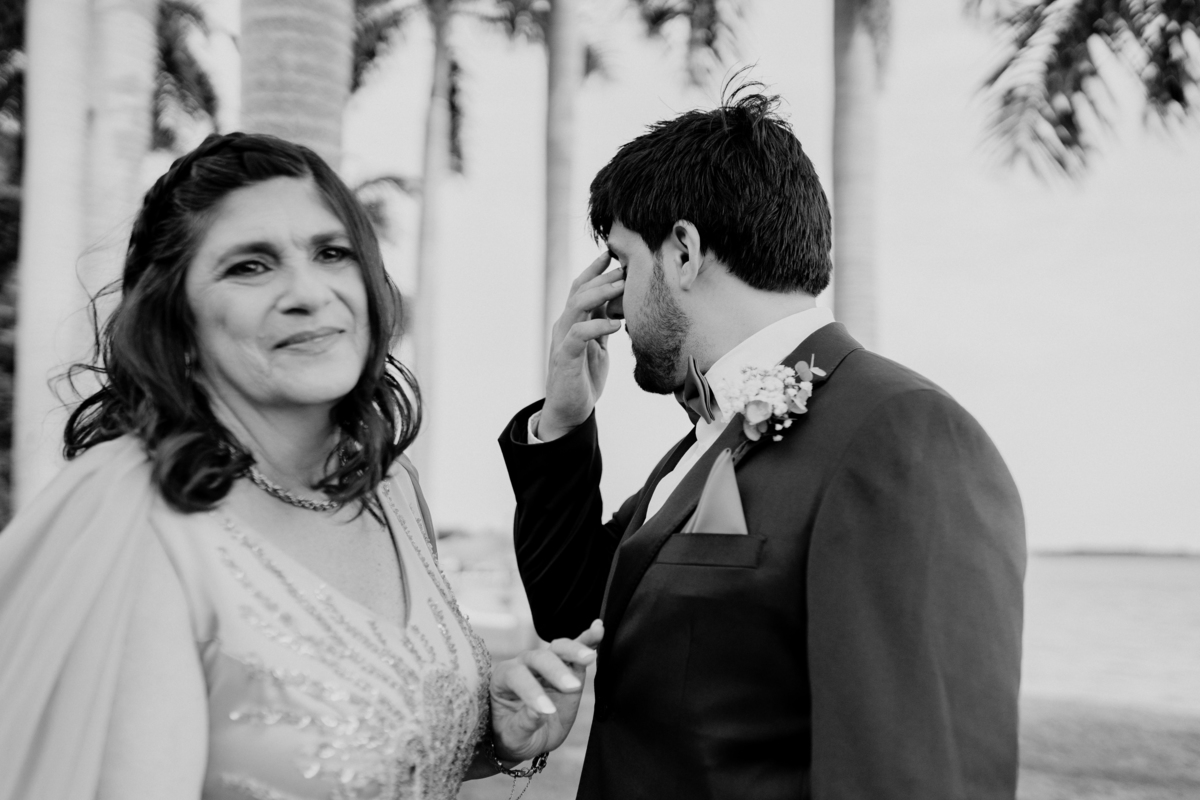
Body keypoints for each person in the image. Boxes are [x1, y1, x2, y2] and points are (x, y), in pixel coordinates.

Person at [0, 132, 601, 800]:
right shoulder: (138, 520)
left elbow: (374, 751)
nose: (309, 292)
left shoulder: (390, 490)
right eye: (249, 266)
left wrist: (496, 735)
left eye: (332, 253)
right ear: (177, 323)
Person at [498, 90, 1026, 799]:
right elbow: (577, 612)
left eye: (624, 264)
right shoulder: (704, 440)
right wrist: (563, 421)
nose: (615, 303)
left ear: (682, 252)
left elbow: (914, 772)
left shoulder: (903, 434)